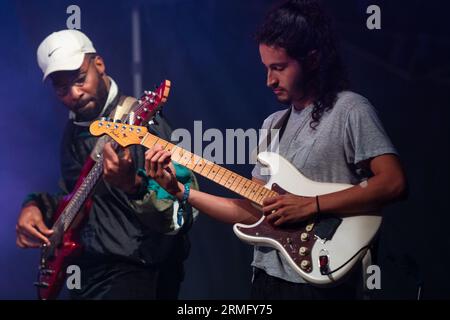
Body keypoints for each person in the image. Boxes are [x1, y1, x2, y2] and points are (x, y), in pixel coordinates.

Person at [143, 0, 408, 300]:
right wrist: (181, 192)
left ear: (311, 59)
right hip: (267, 279)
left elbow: (394, 182)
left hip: (323, 281)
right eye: (267, 68)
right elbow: (251, 210)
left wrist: (313, 205)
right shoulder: (272, 125)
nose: (269, 80)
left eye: (279, 68)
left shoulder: (350, 110)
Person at [15, 29, 198, 299]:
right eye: (61, 88)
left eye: (79, 79)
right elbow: (74, 198)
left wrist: (133, 186)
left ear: (99, 65)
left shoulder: (141, 121)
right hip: (91, 272)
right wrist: (35, 206)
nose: (74, 93)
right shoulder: (73, 131)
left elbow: (181, 210)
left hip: (140, 273)